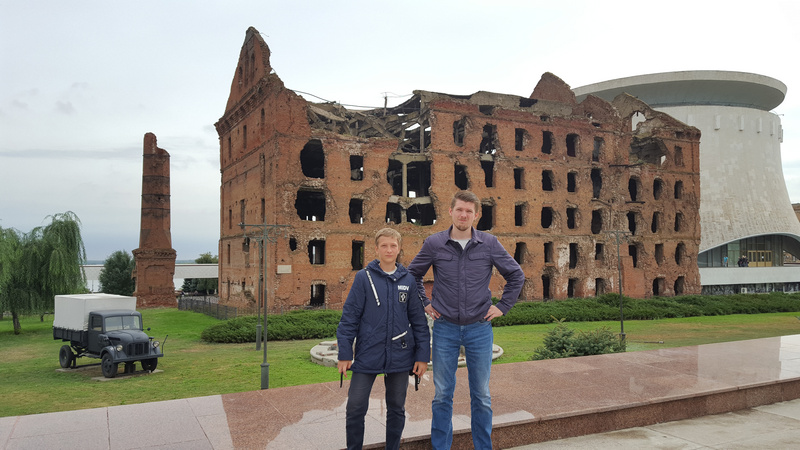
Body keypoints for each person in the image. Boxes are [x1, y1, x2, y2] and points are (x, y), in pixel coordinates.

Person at [408, 190, 525, 449]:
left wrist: (503, 306)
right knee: (442, 394)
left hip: (479, 329)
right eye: (459, 210)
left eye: (469, 211)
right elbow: (412, 274)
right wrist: (424, 302)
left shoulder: (489, 243)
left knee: (481, 395)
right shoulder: (434, 243)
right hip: (445, 328)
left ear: (476, 215)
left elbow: (516, 275)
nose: (463, 215)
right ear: (450, 211)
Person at [337, 227, 430, 450]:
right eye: (384, 246)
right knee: (355, 407)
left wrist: (422, 356)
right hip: (368, 352)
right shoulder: (364, 278)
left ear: (399, 248)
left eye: (393, 246)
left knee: (397, 407)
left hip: (400, 354)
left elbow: (419, 322)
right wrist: (344, 353)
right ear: (376, 248)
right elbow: (349, 317)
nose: (389, 250)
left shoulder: (408, 280)